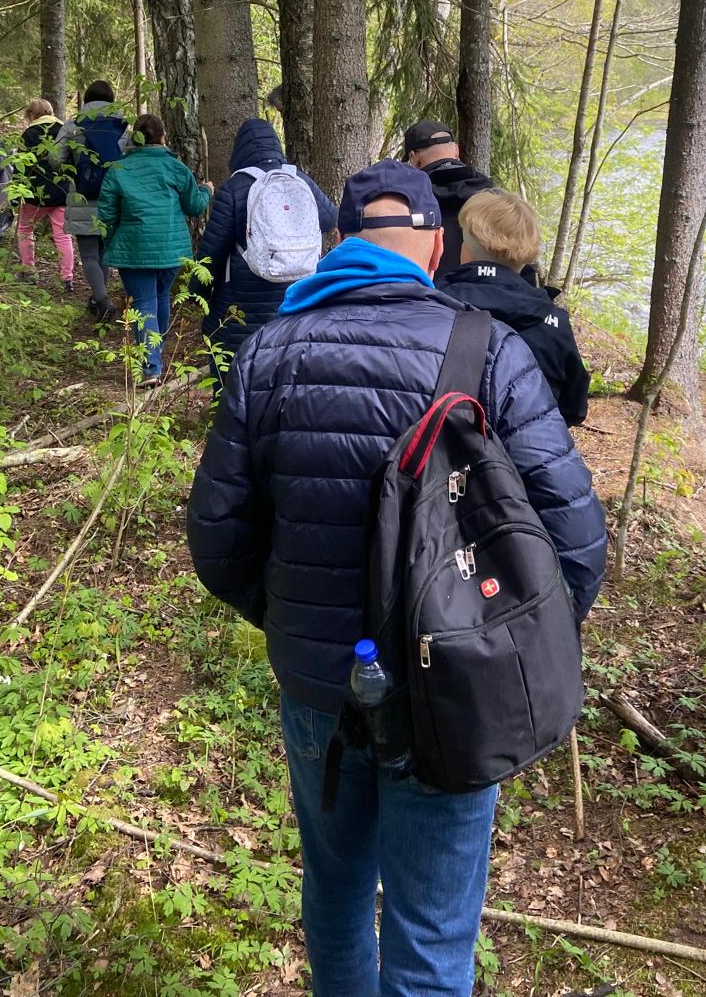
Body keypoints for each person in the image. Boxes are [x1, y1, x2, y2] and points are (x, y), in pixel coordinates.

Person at [186, 159, 606, 997]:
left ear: (340, 239)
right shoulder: (488, 350)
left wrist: (294, 619)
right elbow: (576, 543)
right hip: (456, 689)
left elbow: (218, 540)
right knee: (434, 932)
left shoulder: (269, 353)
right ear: (437, 248)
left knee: (336, 893)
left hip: (320, 688)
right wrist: (504, 644)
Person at [198, 117, 336, 380]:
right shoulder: (300, 180)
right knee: (286, 368)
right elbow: (330, 219)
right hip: (296, 297)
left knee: (234, 371)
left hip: (241, 299)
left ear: (240, 150)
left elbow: (212, 251)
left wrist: (198, 293)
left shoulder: (233, 189)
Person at [441, 188, 590, 426]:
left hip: (440, 442)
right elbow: (574, 408)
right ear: (525, 256)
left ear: (466, 247)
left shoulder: (434, 304)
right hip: (529, 446)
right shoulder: (553, 323)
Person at [96, 112, 213, 385]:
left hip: (133, 250)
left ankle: (150, 366)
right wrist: (207, 190)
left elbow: (106, 215)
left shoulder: (119, 169)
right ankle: (155, 357)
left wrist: (112, 243)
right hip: (171, 249)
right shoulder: (175, 167)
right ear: (163, 137)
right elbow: (195, 206)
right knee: (160, 297)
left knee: (145, 301)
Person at [57, 80, 128, 321]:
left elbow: (55, 158)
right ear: (111, 100)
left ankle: (102, 299)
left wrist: (73, 167)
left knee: (89, 255)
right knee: (104, 252)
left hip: (82, 196)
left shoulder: (73, 125)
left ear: (86, 100)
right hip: (114, 198)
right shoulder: (122, 127)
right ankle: (100, 298)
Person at [402, 118, 493, 281]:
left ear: (414, 158)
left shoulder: (406, 201)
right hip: (485, 289)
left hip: (426, 292)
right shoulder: (492, 196)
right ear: (456, 150)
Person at [14, 97, 74, 292]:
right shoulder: (64, 131)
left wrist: (15, 194)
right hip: (61, 191)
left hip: (34, 193)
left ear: (31, 115)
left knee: (25, 229)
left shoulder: (29, 134)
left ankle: (29, 271)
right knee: (63, 235)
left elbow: (20, 166)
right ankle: (67, 278)